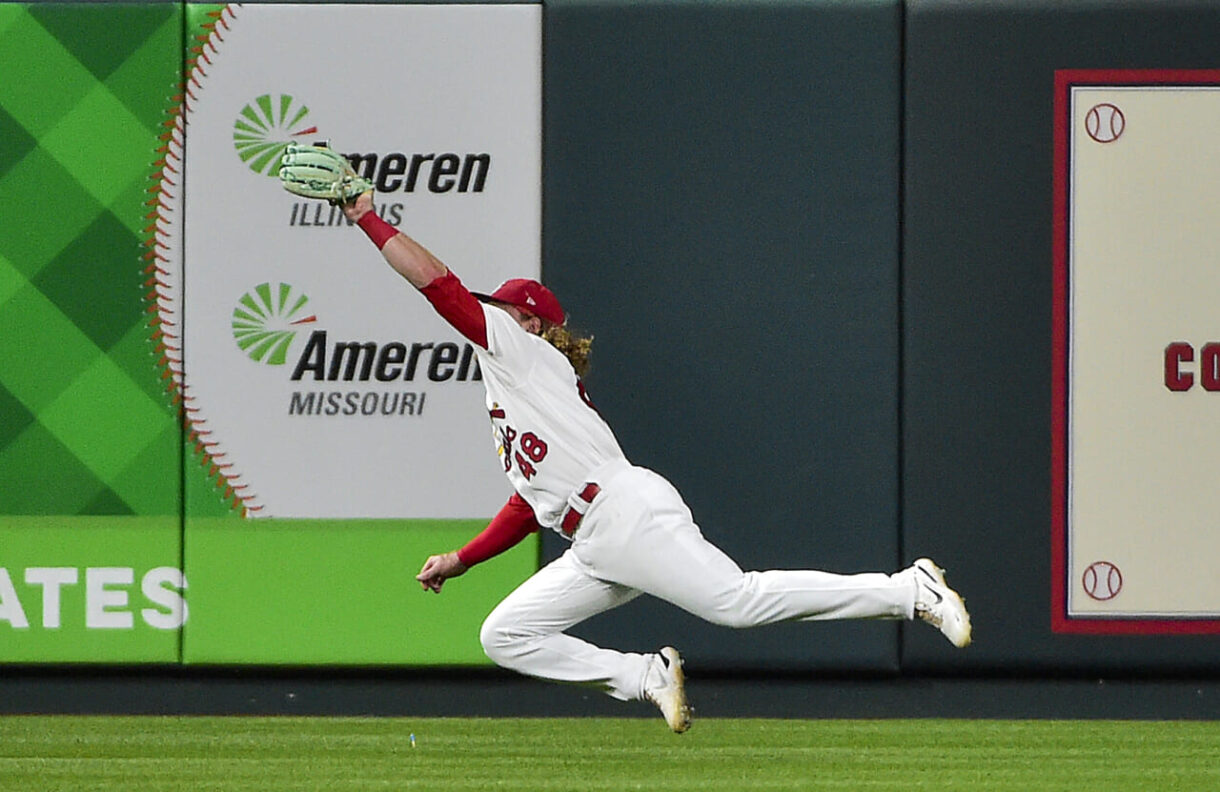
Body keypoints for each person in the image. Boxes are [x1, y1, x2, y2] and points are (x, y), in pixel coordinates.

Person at [341, 193, 971, 733]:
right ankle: (644, 675)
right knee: (504, 635)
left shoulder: (520, 351)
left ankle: (909, 590)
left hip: (624, 515)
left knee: (738, 602)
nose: (488, 315)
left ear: (529, 322)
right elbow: (529, 506)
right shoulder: (520, 387)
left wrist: (368, 218)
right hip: (595, 541)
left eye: (502, 308)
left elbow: (437, 284)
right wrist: (463, 559)